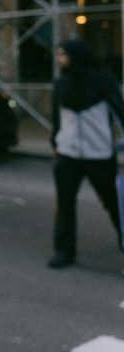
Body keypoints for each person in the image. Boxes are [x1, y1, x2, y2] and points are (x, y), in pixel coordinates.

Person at [49, 39, 124, 269]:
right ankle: (64, 251)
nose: (59, 59)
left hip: (98, 153)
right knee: (65, 204)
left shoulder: (103, 82)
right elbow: (57, 118)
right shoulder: (61, 84)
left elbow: (120, 113)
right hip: (68, 154)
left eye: (63, 55)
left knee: (114, 203)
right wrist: (56, 143)